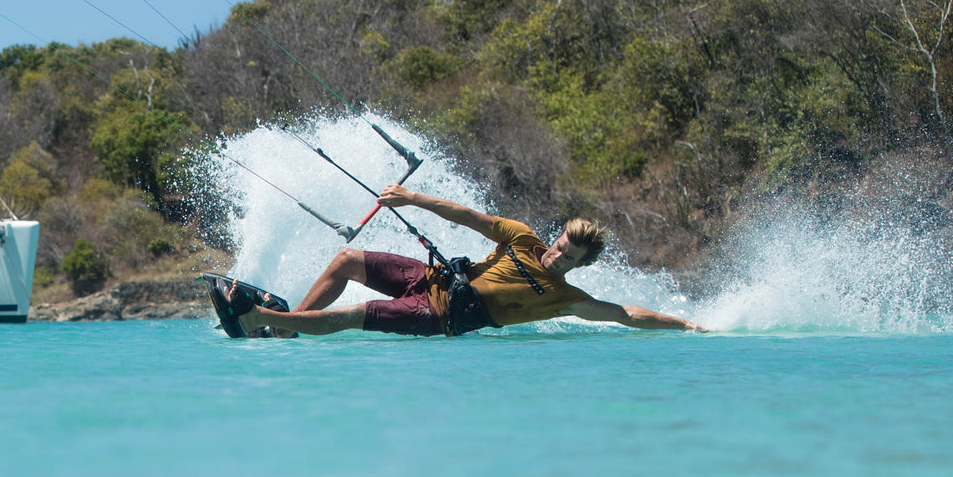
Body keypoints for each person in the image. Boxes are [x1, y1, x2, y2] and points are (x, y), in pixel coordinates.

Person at [225, 184, 705, 336]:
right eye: (560, 244)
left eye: (568, 257)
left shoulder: (563, 297)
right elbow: (467, 216)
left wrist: (682, 323)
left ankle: (258, 319)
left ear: (579, 266)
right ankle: (287, 328)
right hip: (432, 277)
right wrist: (412, 198)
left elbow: (624, 314)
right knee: (348, 258)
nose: (557, 255)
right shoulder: (523, 237)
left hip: (439, 315)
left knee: (353, 314)